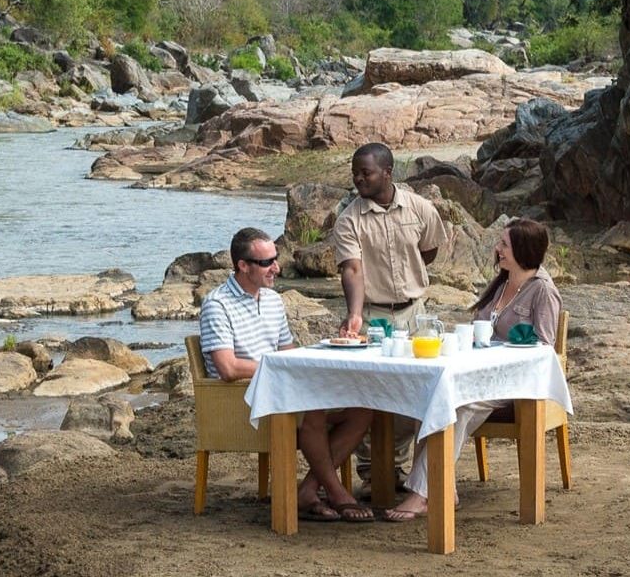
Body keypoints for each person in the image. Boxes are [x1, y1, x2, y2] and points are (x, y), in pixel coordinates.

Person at [383, 217, 561, 522]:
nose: (497, 249)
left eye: (504, 244)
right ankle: (442, 486)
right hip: (480, 372)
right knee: (431, 398)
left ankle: (420, 494)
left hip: (513, 382)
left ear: (523, 249)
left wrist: (507, 350)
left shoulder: (542, 290)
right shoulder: (503, 283)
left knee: (458, 407)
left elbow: (544, 347)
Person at [200, 226, 376, 522]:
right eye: (267, 262)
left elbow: (288, 353)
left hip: (279, 393)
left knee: (363, 408)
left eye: (275, 258)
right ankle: (337, 493)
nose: (276, 267)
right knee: (313, 411)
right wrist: (281, 369)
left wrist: (332, 348)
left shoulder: (272, 300)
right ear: (243, 266)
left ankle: (308, 490)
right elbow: (228, 368)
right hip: (240, 403)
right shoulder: (217, 305)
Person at [334, 142, 447, 492]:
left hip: (414, 315)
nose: (358, 179)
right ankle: (373, 472)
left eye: (365, 173)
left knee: (415, 394)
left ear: (387, 172)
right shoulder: (349, 219)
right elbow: (352, 269)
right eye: (355, 173)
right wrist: (355, 315)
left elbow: (428, 250)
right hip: (372, 315)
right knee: (366, 394)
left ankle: (404, 468)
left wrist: (409, 281)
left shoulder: (420, 208)